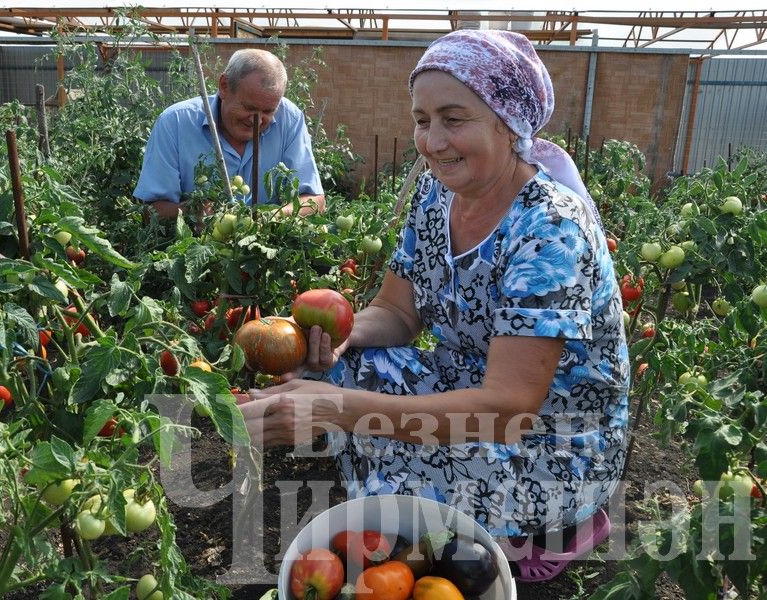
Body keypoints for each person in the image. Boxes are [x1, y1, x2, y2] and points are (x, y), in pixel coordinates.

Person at [240, 30, 628, 582]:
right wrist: (339, 342)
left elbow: (510, 407)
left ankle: (562, 525)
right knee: (344, 374)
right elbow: (397, 313)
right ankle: (457, 511)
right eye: (423, 120)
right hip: (466, 382)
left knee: (400, 513)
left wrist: (333, 408)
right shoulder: (434, 196)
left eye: (454, 118)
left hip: (552, 434)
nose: (433, 142)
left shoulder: (550, 230)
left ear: (507, 121)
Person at [133, 48, 325, 219]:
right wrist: (191, 212)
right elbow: (149, 210)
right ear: (224, 86)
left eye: (268, 112)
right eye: (249, 107)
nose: (256, 120)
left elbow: (315, 201)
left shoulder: (289, 119)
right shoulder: (175, 122)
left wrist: (268, 219)